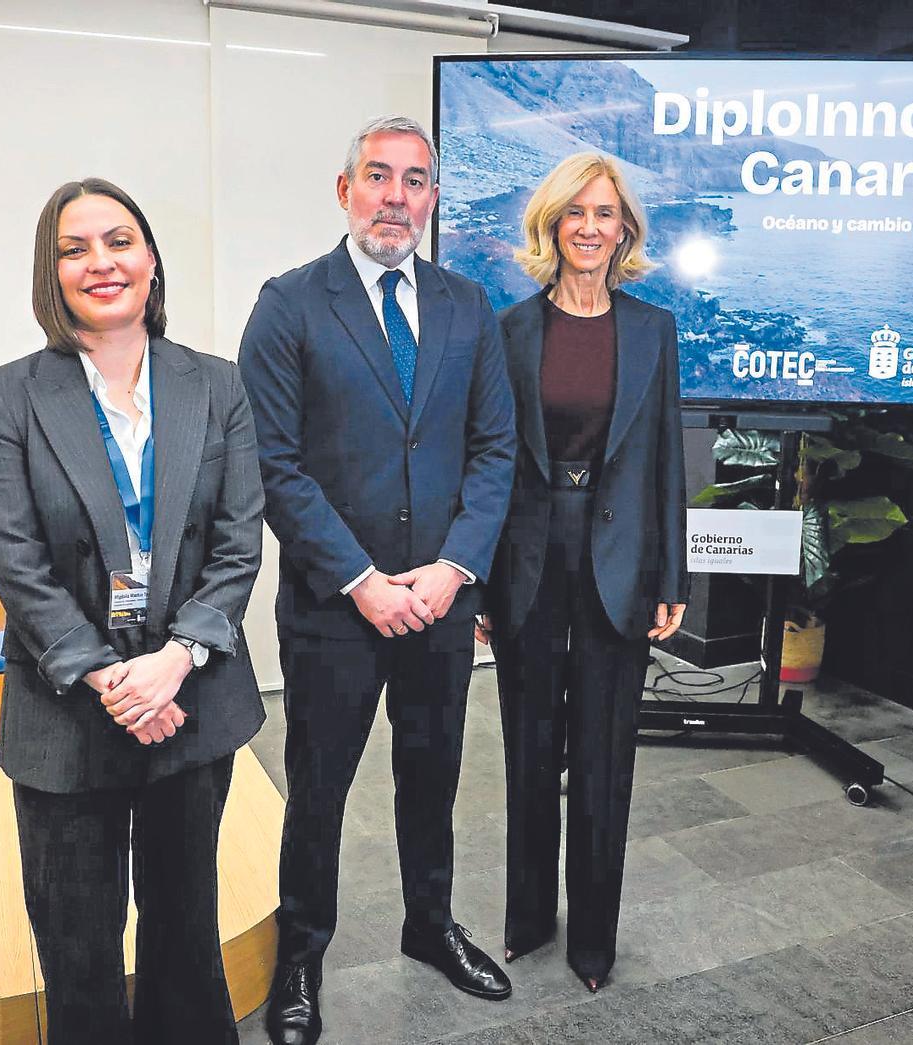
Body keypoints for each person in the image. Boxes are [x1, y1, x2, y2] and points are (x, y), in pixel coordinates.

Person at [239, 115, 517, 1045]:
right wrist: (361, 579)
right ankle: (301, 957)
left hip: (441, 602)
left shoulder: (468, 306)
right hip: (335, 609)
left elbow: (495, 449)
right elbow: (274, 463)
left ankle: (429, 924)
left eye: (415, 180)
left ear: (433, 199)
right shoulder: (289, 304)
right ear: (345, 190)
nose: (396, 196)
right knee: (318, 792)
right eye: (379, 176)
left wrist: (455, 568)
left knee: (432, 776)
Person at [0, 177, 265, 1044]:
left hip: (191, 696)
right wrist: (113, 680)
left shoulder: (216, 384)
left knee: (185, 930)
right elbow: (16, 560)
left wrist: (174, 660)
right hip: (66, 705)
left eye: (119, 240)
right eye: (74, 249)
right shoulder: (9, 395)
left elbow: (239, 542)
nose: (100, 262)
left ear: (151, 261)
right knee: (78, 947)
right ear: (52, 273)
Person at [476, 152, 689, 992]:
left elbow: (665, 458)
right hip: (528, 561)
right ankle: (529, 919)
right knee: (529, 748)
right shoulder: (510, 330)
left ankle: (593, 940)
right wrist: (481, 583)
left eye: (605, 214)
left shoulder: (653, 329)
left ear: (623, 229)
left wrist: (672, 576)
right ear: (552, 225)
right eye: (576, 213)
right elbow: (490, 463)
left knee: (604, 758)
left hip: (619, 561)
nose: (590, 228)